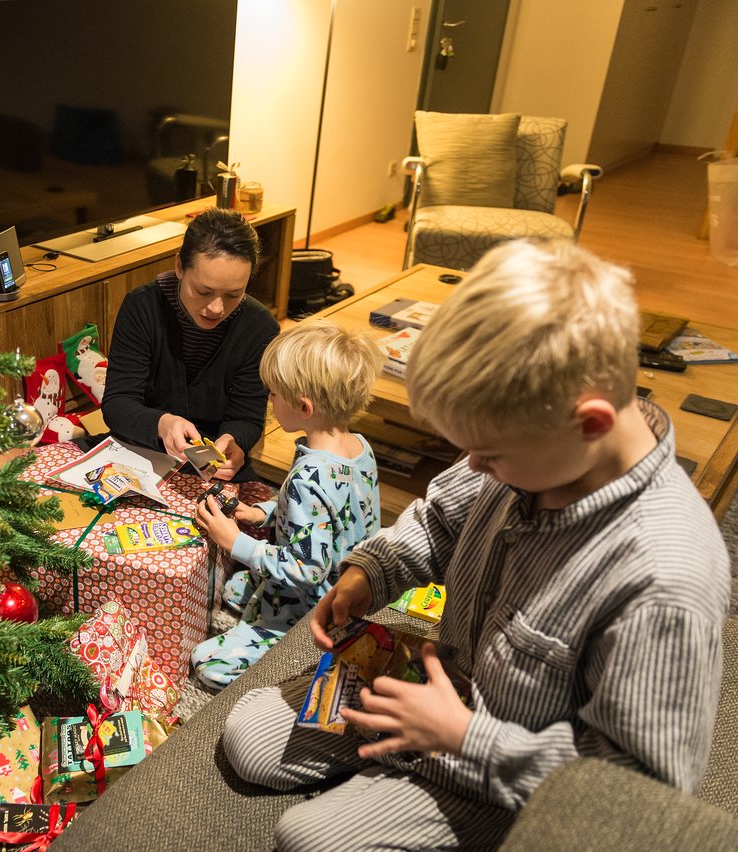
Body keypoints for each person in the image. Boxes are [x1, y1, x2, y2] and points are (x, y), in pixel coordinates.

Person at [221, 239, 731, 850]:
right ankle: (390, 765)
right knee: (248, 735)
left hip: (506, 762)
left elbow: (637, 793)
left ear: (590, 423)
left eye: (489, 454)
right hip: (449, 681)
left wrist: (465, 738)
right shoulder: (531, 446)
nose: (477, 469)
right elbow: (437, 519)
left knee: (308, 840)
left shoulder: (663, 579)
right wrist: (370, 571)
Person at [190, 320, 383, 690]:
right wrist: (264, 512)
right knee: (235, 588)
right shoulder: (358, 446)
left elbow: (306, 570)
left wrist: (235, 542)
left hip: (316, 609)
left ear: (304, 407)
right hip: (349, 586)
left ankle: (304, 659)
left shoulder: (307, 477)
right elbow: (329, 513)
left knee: (207, 663)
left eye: (273, 393)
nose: (269, 400)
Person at [102, 207, 280, 481]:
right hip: (143, 448)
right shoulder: (143, 307)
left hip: (213, 467)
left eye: (234, 294)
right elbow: (117, 403)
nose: (216, 308)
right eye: (203, 291)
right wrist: (161, 423)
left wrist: (234, 442)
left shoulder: (259, 326)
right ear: (179, 267)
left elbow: (247, 417)